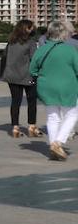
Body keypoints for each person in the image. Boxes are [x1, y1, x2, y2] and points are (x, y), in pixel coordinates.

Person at [29, 19, 78, 161]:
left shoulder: (42, 49)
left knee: (52, 117)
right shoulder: (70, 50)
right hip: (67, 87)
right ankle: (58, 142)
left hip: (46, 88)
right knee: (72, 114)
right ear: (63, 34)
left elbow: (32, 69)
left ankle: (53, 145)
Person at [0, 19, 41, 138]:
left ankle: (15, 128)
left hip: (12, 76)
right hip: (28, 76)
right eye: (30, 27)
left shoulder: (10, 42)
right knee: (31, 100)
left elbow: (4, 57)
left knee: (15, 101)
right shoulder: (31, 42)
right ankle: (32, 126)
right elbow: (35, 59)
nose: (33, 28)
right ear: (25, 28)